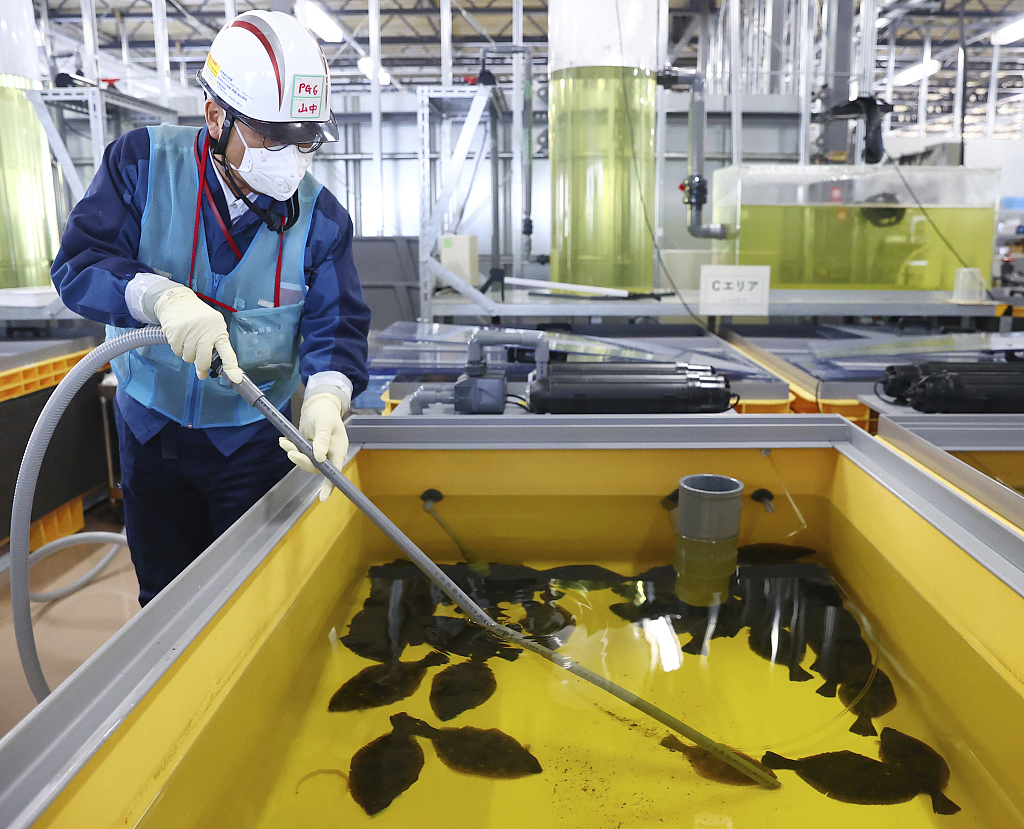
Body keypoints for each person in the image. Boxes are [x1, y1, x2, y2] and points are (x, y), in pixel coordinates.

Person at [51, 11, 371, 606]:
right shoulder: (141, 166)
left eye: (305, 139)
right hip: (149, 430)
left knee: (251, 602)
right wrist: (160, 298)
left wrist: (328, 395)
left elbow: (337, 324)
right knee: (165, 601)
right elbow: (79, 265)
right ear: (216, 116)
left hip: (252, 442)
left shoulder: (322, 218)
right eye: (273, 137)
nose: (291, 157)